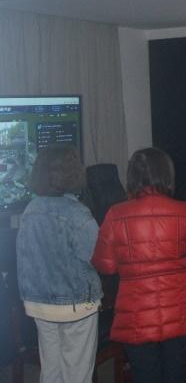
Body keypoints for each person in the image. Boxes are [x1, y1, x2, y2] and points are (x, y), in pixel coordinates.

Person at [92, 147, 186, 383]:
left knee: (144, 376)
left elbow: (106, 266)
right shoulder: (185, 211)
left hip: (136, 316)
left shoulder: (115, 214)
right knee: (176, 376)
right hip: (179, 311)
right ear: (167, 174)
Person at [16, 146, 102, 383]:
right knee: (77, 371)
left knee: (51, 369)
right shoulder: (79, 213)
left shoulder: (30, 211)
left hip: (39, 305)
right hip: (77, 304)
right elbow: (98, 256)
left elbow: (24, 257)